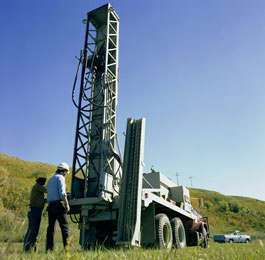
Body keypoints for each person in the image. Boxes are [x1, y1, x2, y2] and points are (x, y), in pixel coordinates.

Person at [46, 162, 70, 251]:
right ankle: (67, 249)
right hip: (58, 205)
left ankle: (49, 249)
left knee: (51, 228)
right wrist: (67, 204)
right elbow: (62, 194)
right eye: (66, 173)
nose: (66, 175)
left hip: (50, 205)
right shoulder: (60, 178)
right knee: (64, 227)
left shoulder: (50, 180)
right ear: (64, 171)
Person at [23, 172, 47, 252]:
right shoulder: (38, 187)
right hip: (35, 210)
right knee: (33, 230)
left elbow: (39, 199)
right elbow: (47, 191)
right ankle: (28, 249)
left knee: (33, 230)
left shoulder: (36, 187)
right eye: (44, 180)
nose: (44, 182)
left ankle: (30, 248)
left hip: (35, 210)